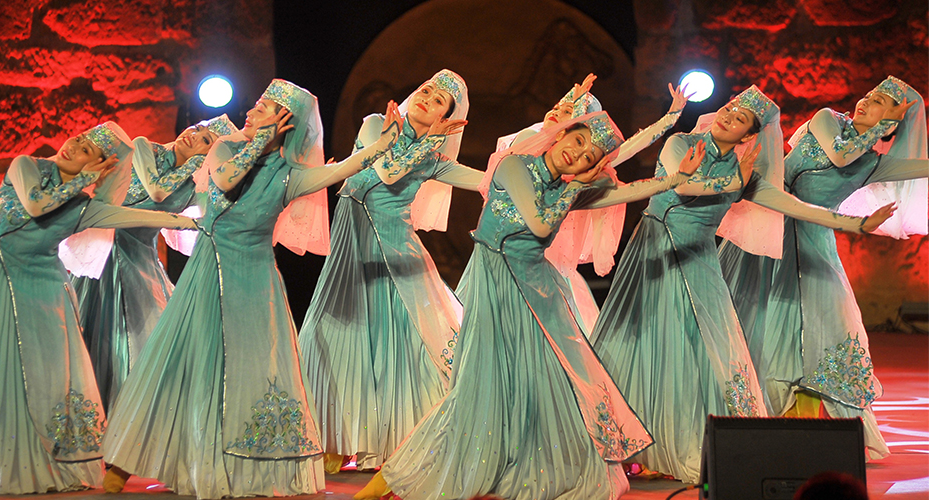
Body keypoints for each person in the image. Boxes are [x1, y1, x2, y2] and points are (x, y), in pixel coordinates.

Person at [357, 108, 703, 500]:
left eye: (589, 156)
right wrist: (576, 187)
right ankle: (397, 477)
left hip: (539, 288)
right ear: (561, 134)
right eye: (578, 141)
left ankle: (540, 464)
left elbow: (623, 192)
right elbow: (539, 223)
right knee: (479, 387)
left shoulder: (568, 186)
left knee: (555, 381)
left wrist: (676, 179)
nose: (578, 154)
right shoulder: (515, 166)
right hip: (496, 283)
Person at [99, 80, 401, 499]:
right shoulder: (225, 149)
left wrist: (381, 146)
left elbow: (339, 171)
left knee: (252, 371)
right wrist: (260, 139)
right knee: (178, 361)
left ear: (284, 122)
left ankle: (242, 468)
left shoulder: (289, 175)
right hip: (209, 272)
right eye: (257, 105)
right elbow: (226, 181)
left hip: (256, 281)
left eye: (263, 108)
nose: (251, 111)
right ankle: (124, 463)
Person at [589, 86, 897, 483]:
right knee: (643, 344)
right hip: (656, 252)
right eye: (730, 108)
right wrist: (734, 180)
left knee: (710, 351)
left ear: (749, 136)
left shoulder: (744, 172)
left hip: (700, 260)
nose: (729, 116)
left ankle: (692, 440)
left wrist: (857, 224)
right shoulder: (682, 144)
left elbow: (796, 207)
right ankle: (628, 442)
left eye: (740, 119)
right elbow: (682, 185)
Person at [0, 122, 196, 494]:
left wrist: (190, 221)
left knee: (42, 377)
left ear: (102, 166)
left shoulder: (84, 208)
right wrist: (85, 178)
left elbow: (139, 217)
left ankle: (38, 464)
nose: (74, 145)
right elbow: (36, 204)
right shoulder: (26, 166)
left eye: (87, 150)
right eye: (81, 139)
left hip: (44, 293)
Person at [718, 76, 926, 459]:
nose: (866, 101)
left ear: (893, 123)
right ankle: (742, 414)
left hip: (815, 243)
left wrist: (889, 128)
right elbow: (841, 155)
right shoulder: (827, 118)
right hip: (767, 230)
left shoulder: (875, 164)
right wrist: (882, 124)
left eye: (880, 102)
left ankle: (812, 424)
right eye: (870, 94)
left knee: (827, 327)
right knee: (751, 318)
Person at [297, 69, 483, 473]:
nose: (427, 99)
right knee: (329, 332)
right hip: (352, 243)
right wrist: (428, 144)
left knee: (391, 342)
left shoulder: (434, 158)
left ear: (446, 117)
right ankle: (334, 436)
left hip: (395, 251)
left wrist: (537, 167)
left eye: (438, 101)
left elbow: (487, 182)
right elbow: (385, 170)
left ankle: (398, 439)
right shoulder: (376, 125)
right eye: (427, 91)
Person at [68, 115, 238, 413]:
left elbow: (217, 215)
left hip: (139, 263)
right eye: (198, 128)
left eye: (206, 140)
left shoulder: (195, 186)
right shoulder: (146, 148)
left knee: (143, 346)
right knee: (90, 337)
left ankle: (130, 424)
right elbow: (157, 190)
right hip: (102, 254)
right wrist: (197, 163)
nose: (193, 134)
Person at [494, 74, 690, 332]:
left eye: (568, 112)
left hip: (549, 263)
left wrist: (670, 118)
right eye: (557, 107)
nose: (557, 112)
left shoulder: (582, 168)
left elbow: (628, 148)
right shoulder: (525, 142)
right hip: (505, 254)